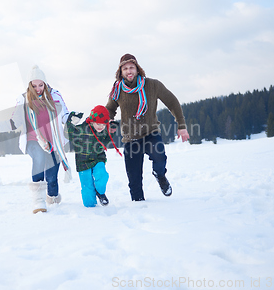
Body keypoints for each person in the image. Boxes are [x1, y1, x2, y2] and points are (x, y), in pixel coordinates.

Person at [0, 65, 71, 214]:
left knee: (52, 177)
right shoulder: (23, 99)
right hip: (33, 140)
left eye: (40, 85)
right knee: (39, 158)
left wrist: (73, 119)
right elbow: (13, 122)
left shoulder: (55, 96)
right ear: (29, 85)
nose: (38, 89)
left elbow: (65, 115)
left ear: (45, 84)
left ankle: (52, 196)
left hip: (53, 142)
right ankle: (38, 200)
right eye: (34, 86)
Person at [105, 54, 190, 201]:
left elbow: (172, 102)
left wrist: (181, 125)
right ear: (121, 72)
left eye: (132, 67)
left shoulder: (152, 85)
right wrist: (106, 122)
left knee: (159, 157)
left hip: (150, 132)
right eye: (125, 68)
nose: (129, 71)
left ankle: (160, 175)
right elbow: (109, 110)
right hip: (130, 137)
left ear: (137, 69)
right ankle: (139, 205)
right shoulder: (117, 89)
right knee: (134, 179)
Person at [66, 105, 122, 207]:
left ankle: (100, 192)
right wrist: (71, 119)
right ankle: (90, 207)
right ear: (91, 121)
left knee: (102, 175)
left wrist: (112, 130)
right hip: (83, 162)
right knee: (87, 186)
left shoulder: (103, 130)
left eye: (103, 125)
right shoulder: (81, 129)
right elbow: (68, 132)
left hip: (98, 158)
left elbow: (106, 140)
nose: (101, 127)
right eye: (98, 124)